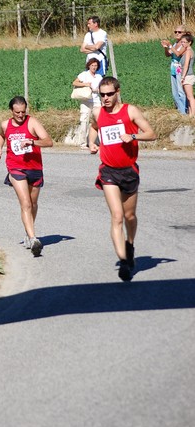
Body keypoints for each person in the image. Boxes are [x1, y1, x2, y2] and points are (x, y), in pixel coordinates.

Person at [88, 77, 156, 281]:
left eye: (109, 94)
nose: (106, 98)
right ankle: (124, 261)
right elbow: (93, 127)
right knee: (117, 216)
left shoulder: (130, 111)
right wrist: (92, 142)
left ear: (117, 91)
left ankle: (130, 244)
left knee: (129, 217)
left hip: (129, 171)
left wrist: (133, 136)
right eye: (102, 95)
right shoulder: (98, 112)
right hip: (108, 171)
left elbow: (152, 134)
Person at [0, 96, 53, 257]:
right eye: (17, 112)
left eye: (23, 112)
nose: (20, 115)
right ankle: (34, 239)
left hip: (34, 168)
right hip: (15, 168)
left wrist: (32, 142)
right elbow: (1, 135)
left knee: (33, 204)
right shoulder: (5, 124)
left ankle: (28, 232)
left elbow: (48, 141)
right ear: (11, 111)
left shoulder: (32, 122)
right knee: (25, 203)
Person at [72, 58, 102, 149]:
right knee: (84, 121)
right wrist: (85, 84)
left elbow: (102, 88)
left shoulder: (99, 77)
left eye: (96, 65)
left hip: (96, 101)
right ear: (89, 66)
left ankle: (96, 142)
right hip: (86, 101)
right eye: (92, 65)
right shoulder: (84, 74)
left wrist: (98, 90)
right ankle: (83, 143)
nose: (94, 67)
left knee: (98, 121)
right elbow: (75, 82)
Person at [160, 26, 189, 114]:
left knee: (181, 91)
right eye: (175, 31)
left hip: (180, 68)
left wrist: (169, 46)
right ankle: (180, 110)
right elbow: (168, 54)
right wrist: (166, 47)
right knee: (174, 92)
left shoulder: (184, 44)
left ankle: (184, 111)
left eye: (179, 32)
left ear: (184, 33)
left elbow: (178, 54)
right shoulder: (175, 44)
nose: (177, 33)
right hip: (173, 68)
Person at [178, 33, 195, 116]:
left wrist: (182, 77)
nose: (182, 44)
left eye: (184, 42)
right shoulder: (187, 51)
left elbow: (186, 65)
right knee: (188, 97)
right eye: (182, 42)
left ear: (190, 42)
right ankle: (190, 114)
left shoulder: (188, 51)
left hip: (188, 75)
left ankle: (193, 115)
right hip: (187, 75)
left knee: (190, 97)